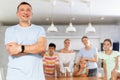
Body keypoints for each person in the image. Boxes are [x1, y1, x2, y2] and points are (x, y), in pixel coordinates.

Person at [5, 2, 46, 80]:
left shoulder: (39, 29)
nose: (25, 12)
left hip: (36, 76)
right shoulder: (10, 30)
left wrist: (20, 48)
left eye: (28, 10)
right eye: (22, 10)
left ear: (31, 13)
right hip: (15, 76)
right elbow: (12, 51)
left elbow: (42, 48)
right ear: (17, 13)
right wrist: (35, 49)